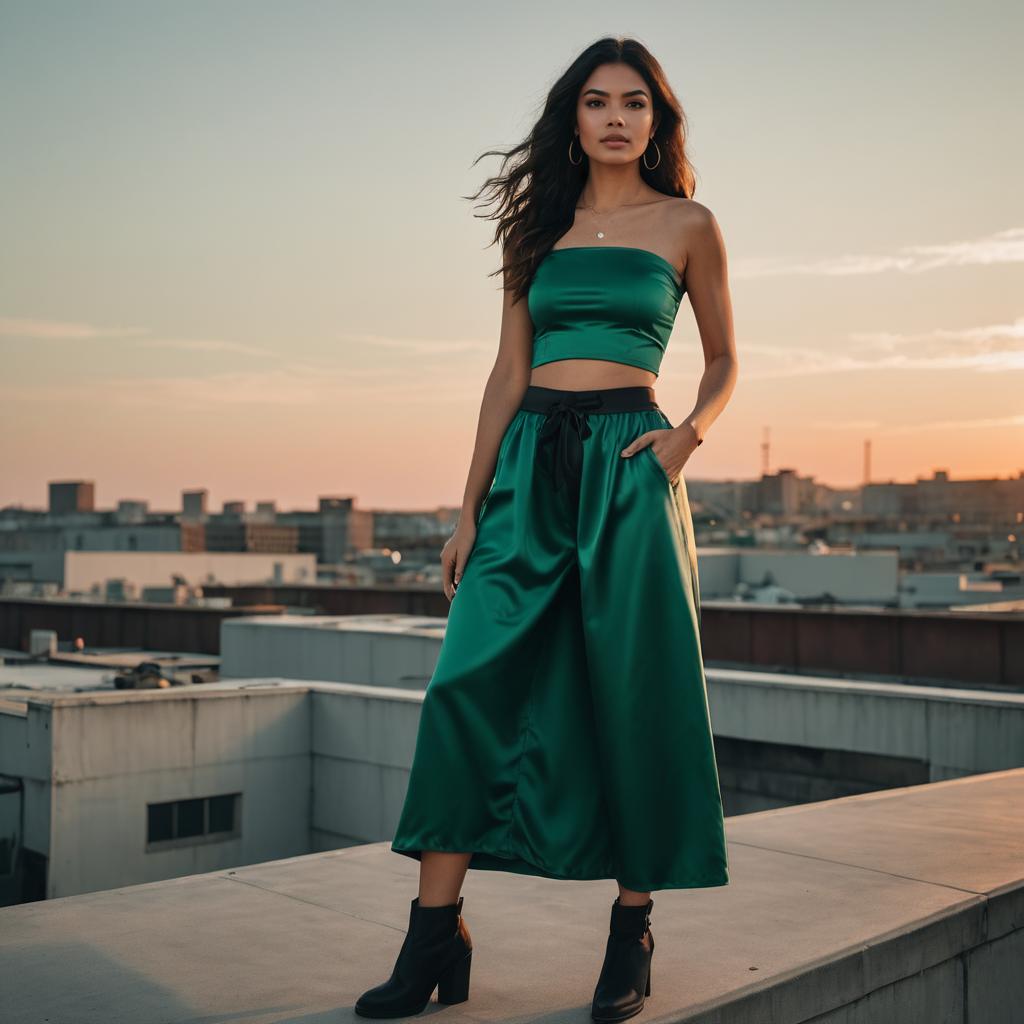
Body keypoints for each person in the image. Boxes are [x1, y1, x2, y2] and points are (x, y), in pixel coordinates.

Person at [356, 35, 738, 1023]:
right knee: (465, 686)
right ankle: (434, 937)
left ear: (657, 121)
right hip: (530, 466)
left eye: (636, 103)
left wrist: (685, 439)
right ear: (571, 118)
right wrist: (466, 508)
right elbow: (503, 375)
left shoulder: (689, 223)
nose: (617, 117)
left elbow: (726, 360)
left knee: (632, 691)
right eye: (598, 101)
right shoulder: (536, 231)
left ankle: (631, 930)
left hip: (629, 467)